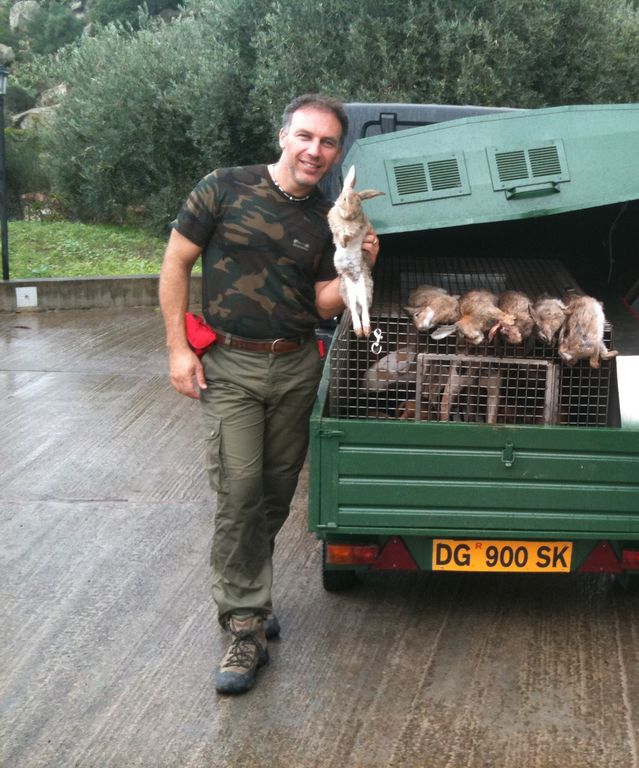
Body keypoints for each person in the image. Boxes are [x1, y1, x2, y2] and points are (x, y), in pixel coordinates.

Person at [158, 93, 380, 695]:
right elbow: (176, 263)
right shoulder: (224, 187)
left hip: (294, 366)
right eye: (305, 136)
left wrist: (356, 263)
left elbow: (321, 304)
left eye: (327, 142)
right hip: (230, 365)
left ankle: (250, 595)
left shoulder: (329, 217)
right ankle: (243, 625)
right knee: (239, 492)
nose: (314, 150)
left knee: (274, 494)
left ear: (337, 152)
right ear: (283, 136)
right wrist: (178, 349)